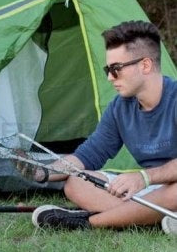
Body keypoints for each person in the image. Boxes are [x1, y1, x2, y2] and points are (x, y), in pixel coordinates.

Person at [27, 20, 177, 232]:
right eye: (108, 69)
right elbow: (87, 156)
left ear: (145, 65)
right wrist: (41, 172)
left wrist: (144, 177)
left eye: (116, 69)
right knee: (76, 183)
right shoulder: (120, 107)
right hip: (151, 193)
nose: (109, 77)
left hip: (168, 189)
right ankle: (153, 219)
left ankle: (88, 222)